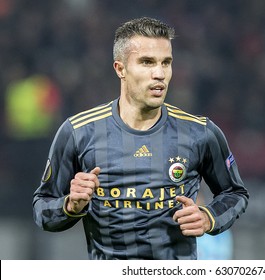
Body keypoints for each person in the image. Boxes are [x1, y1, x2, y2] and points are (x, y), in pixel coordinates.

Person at [32, 17, 249, 260]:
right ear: (120, 69)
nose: (159, 73)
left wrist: (209, 218)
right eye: (147, 62)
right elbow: (42, 208)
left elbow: (235, 193)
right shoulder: (78, 132)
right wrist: (70, 206)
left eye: (166, 63)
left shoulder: (200, 132)